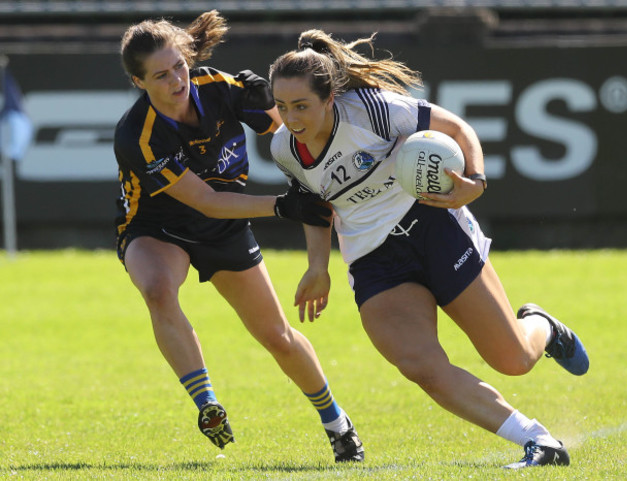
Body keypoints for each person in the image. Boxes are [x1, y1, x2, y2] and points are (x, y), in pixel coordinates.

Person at [268, 29, 590, 469]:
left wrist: (474, 182)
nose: (291, 119)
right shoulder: (285, 149)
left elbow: (456, 127)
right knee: (420, 364)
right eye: (282, 107)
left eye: (301, 106)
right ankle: (539, 441)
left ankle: (541, 326)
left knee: (513, 360)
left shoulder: (372, 110)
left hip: (434, 228)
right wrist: (318, 267)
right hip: (374, 261)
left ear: (329, 99)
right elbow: (314, 207)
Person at [113, 12, 364, 462]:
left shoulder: (217, 87)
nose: (176, 81)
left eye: (179, 67)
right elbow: (205, 199)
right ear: (138, 82)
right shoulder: (139, 135)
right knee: (157, 289)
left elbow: (292, 137)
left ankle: (337, 424)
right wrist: (282, 205)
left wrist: (271, 105)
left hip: (224, 224)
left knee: (276, 335)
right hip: (157, 226)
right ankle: (207, 402)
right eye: (160, 75)